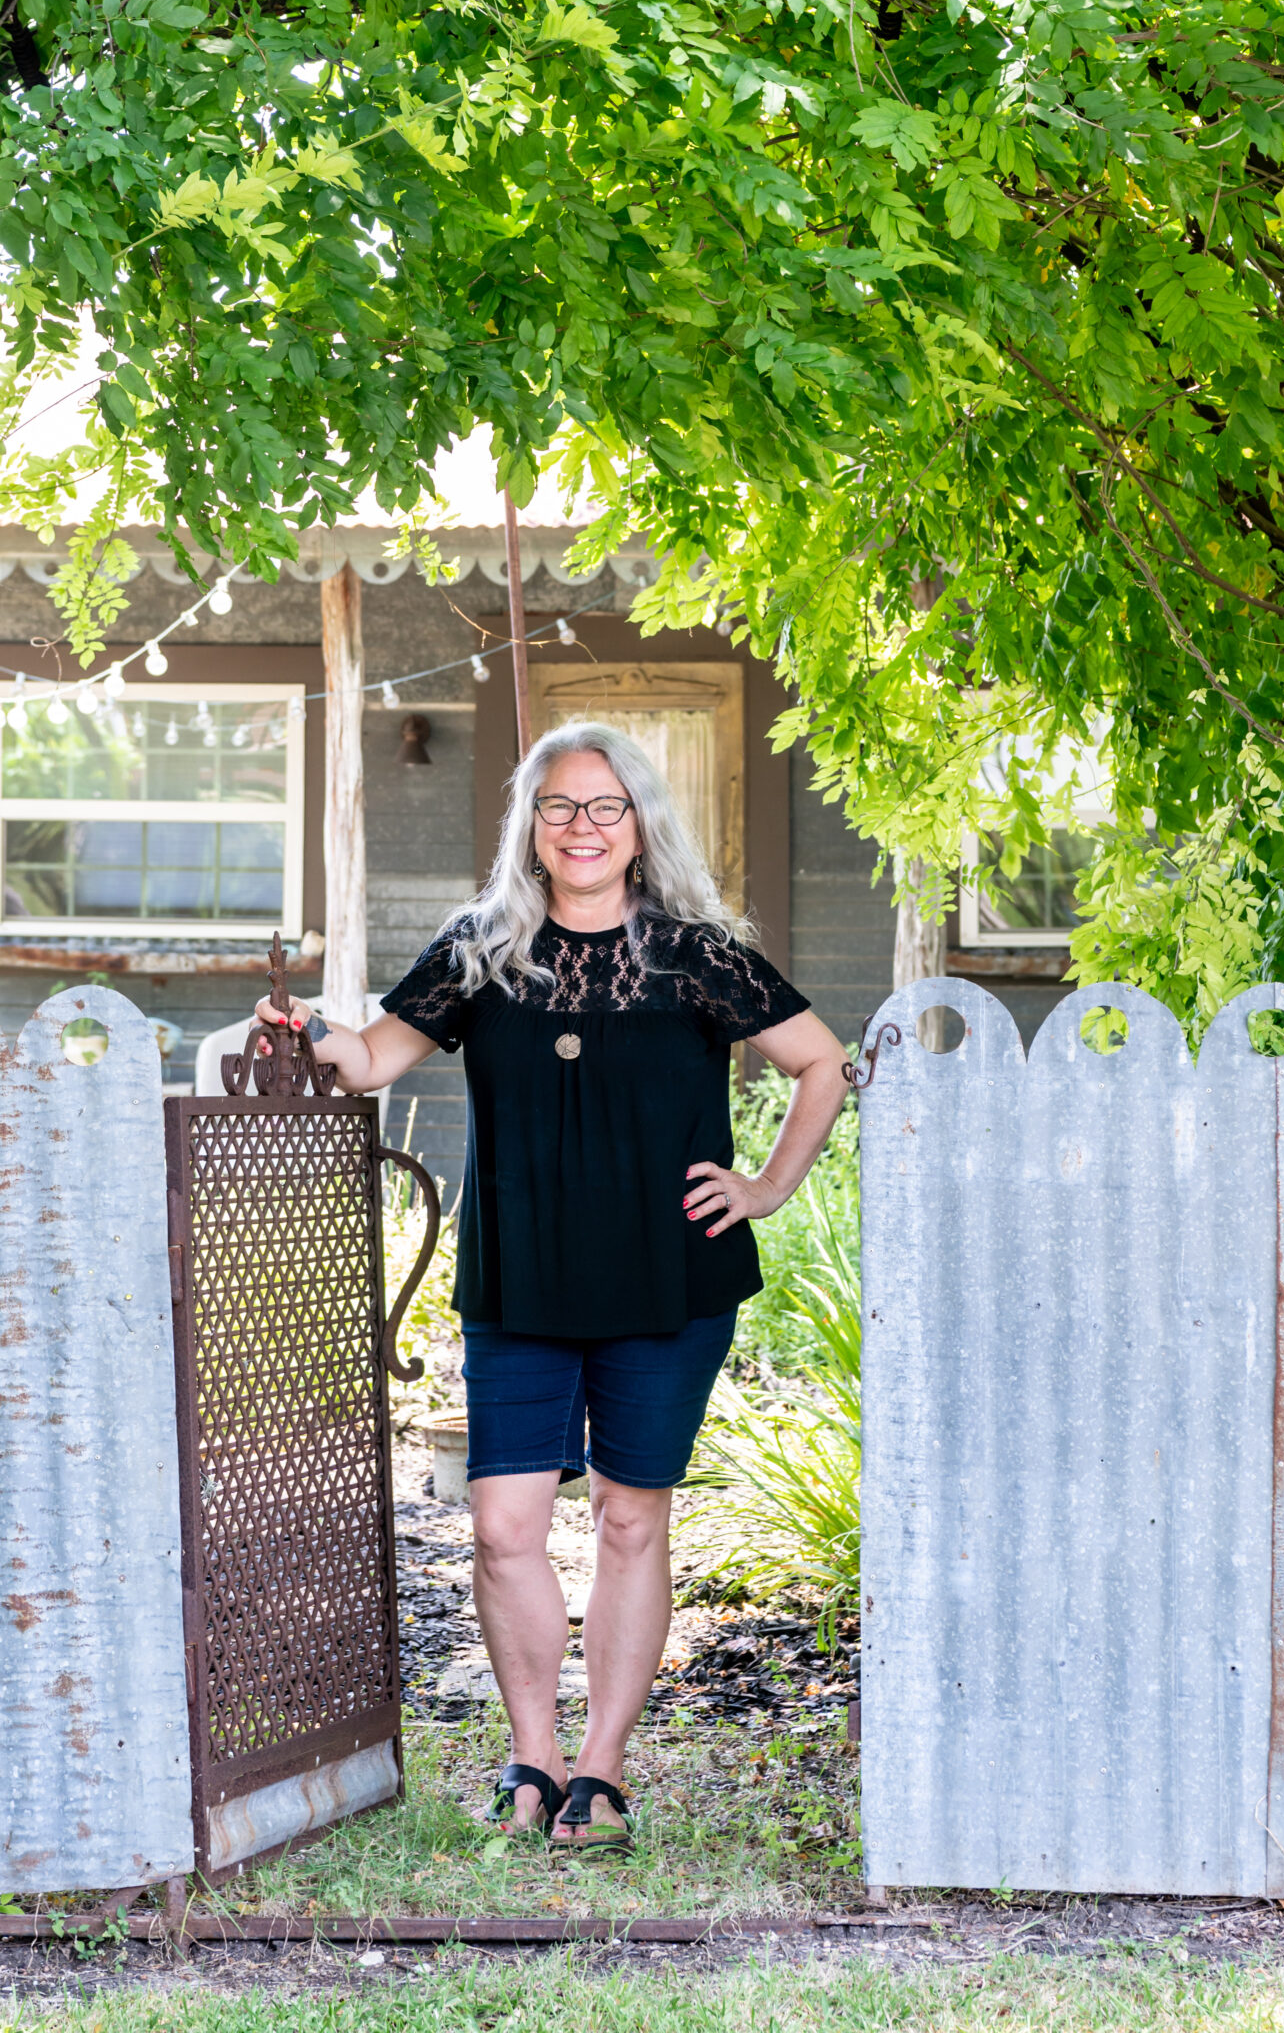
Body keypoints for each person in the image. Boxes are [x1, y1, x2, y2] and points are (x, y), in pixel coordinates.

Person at [250, 720, 850, 1854]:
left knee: (630, 1519)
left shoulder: (695, 953)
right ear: (531, 823)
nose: (581, 827)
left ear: (638, 826)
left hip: (668, 1277)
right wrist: (312, 1034)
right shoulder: (481, 948)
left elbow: (820, 1061)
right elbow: (374, 1056)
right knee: (501, 1526)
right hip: (519, 1277)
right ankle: (529, 1754)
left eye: (604, 807)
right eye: (560, 806)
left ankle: (601, 1769)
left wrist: (766, 1185)